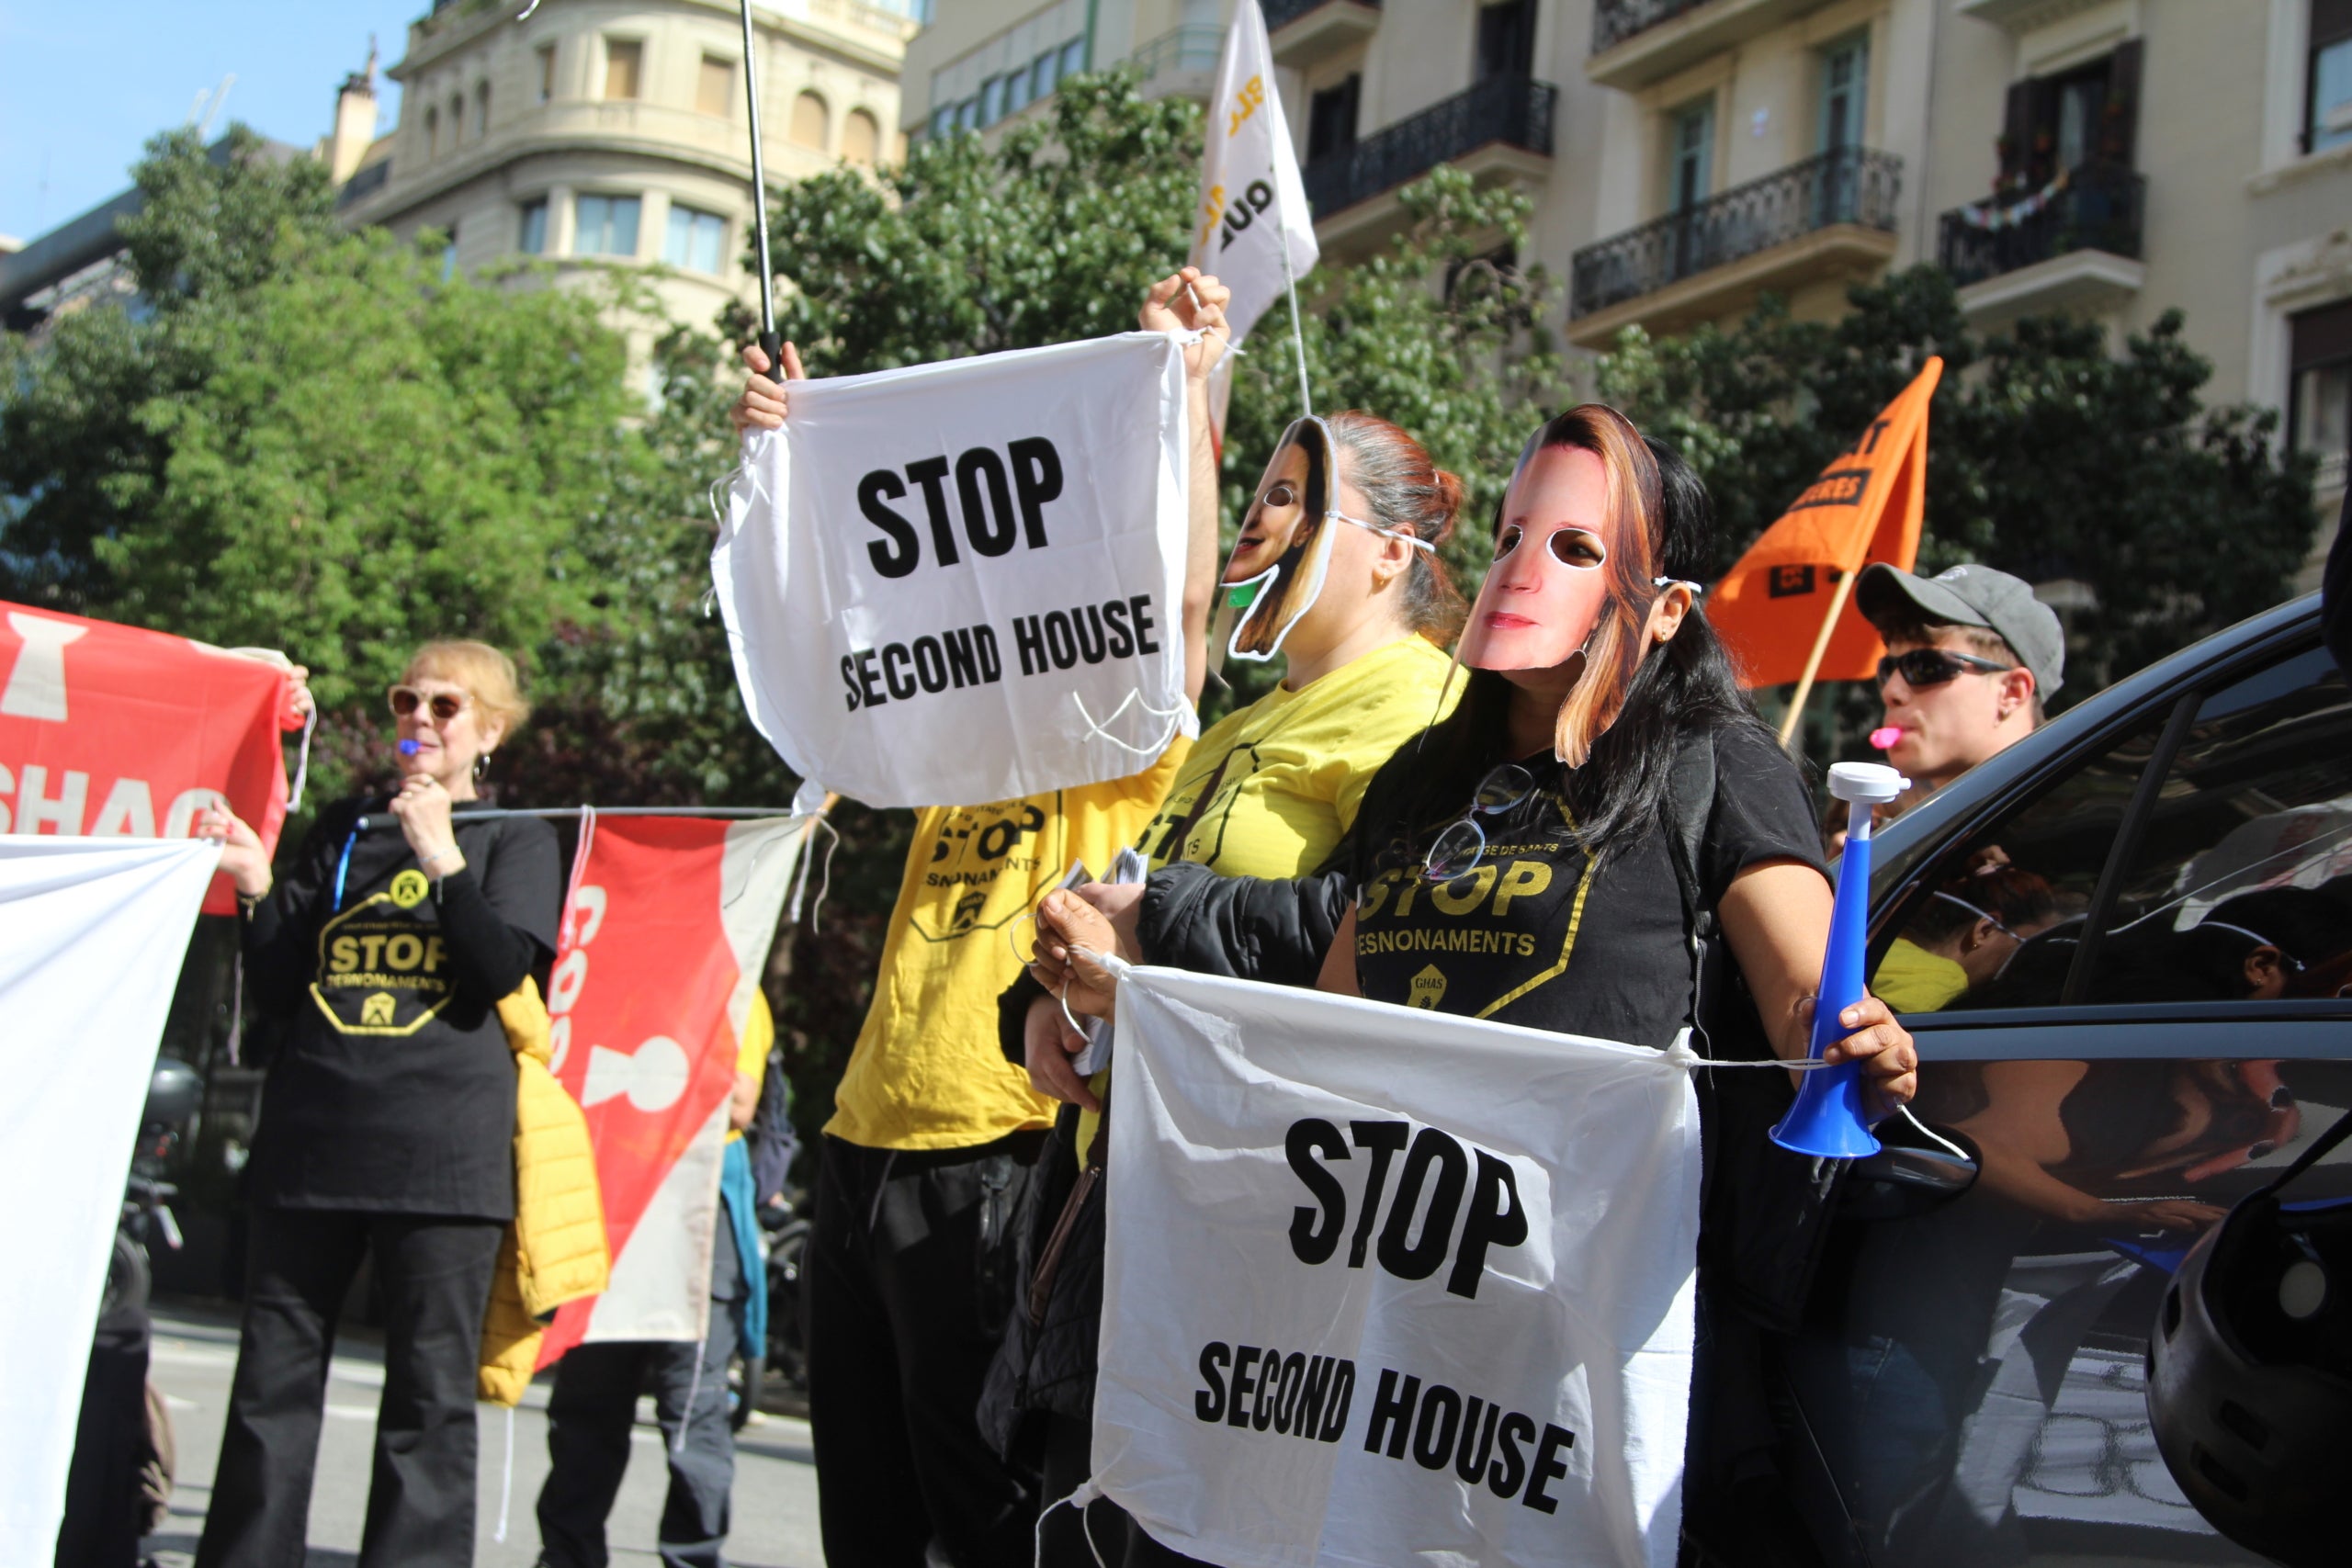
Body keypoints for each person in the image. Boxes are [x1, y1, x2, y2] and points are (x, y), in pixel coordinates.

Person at [1035, 407, 1917, 1563]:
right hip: (1367, 1324)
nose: (1521, 567)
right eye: (1509, 537)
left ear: (1665, 607)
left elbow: (1804, 992)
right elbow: (1334, 1027)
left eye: (1575, 548)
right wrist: (1133, 1015)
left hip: (1554, 1352)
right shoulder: (1419, 778)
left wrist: (1855, 1044)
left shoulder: (1716, 764)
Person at [724, 268, 1229, 1568]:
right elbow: (837, 615)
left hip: (996, 1148)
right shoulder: (956, 737)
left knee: (985, 1516)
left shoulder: (1121, 739)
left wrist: (1182, 388)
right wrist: (780, 459)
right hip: (861, 1137)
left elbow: (1179, 608)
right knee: (869, 1520)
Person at [993, 409, 1468, 1565]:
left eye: (1296, 494)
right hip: (1126, 1190)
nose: (1261, 514)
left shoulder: (1429, 711)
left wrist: (1149, 928)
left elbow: (1383, 937)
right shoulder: (1235, 726)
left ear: (1392, 551)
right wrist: (1049, 996)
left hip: (1268, 1230)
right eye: (1257, 489)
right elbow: (1132, 905)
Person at [194, 640, 562, 1568]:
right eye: (408, 700)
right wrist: (255, 887)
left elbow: (499, 977)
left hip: (442, 1161)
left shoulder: (517, 838)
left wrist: (445, 862)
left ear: (490, 732)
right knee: (270, 1386)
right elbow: (281, 987)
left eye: (447, 706)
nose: (420, 720)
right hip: (313, 1145)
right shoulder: (343, 828)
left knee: (428, 1401)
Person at [533, 992, 778, 1568]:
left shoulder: (734, 978)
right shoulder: (625, 962)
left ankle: (691, 1557)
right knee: (586, 1405)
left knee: (691, 1410)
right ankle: (566, 1555)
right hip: (614, 1204)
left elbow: (740, 1103)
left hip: (696, 1212)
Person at [1854, 561, 2065, 816]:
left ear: (2012, 692)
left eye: (1926, 667)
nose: (1891, 691)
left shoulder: (2071, 836)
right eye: (1888, 669)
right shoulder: (1906, 839)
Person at [1871, 863, 2059, 1013]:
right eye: (2027, 947)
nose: (2032, 962)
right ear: (1986, 929)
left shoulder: (1885, 942)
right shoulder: (1944, 984)